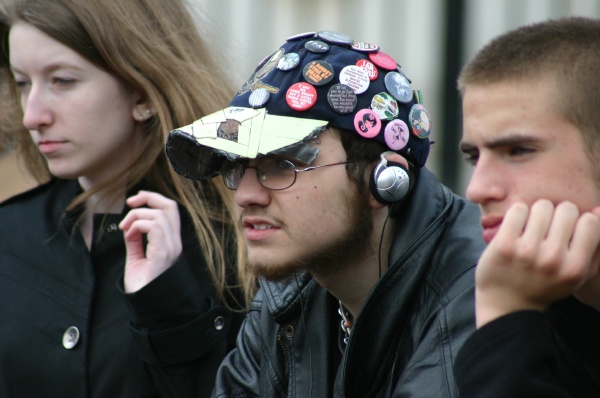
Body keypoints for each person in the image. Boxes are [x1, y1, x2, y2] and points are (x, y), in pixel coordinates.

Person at [165, 31, 486, 397]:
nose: (246, 196)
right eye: (236, 167)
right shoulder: (285, 296)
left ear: (383, 180)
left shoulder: (478, 291)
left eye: (283, 164)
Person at [0, 0, 255, 397]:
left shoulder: (237, 243)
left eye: (62, 81)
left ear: (142, 92)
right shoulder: (10, 236)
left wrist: (170, 306)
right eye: (22, 83)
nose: (33, 115)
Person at [454, 16, 600, 397]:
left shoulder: (509, 297)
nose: (477, 189)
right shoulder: (536, 295)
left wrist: (506, 312)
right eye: (474, 157)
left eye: (518, 150)